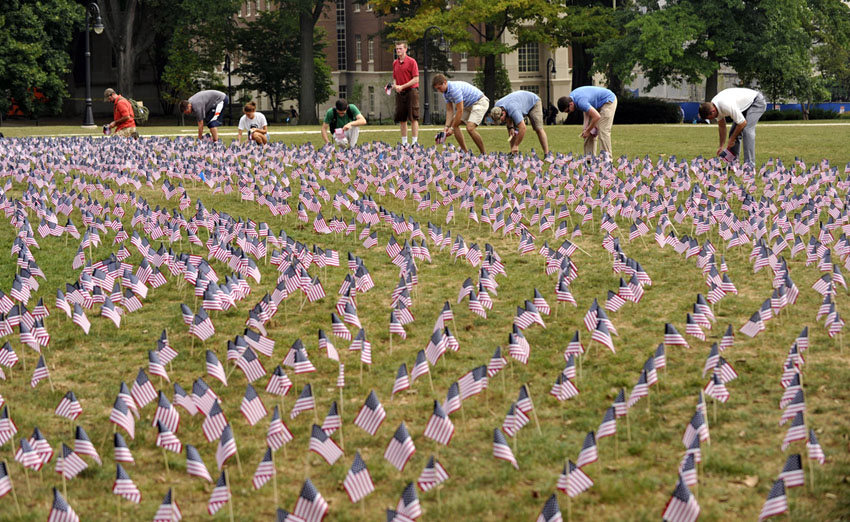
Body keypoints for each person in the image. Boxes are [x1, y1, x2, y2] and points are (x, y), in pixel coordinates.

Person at [698, 88, 766, 165]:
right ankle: (733, 164)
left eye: (711, 118)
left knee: (747, 130)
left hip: (756, 102)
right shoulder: (713, 106)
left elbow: (742, 123)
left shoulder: (725, 105)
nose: (713, 119)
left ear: (713, 111)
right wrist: (721, 146)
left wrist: (732, 139)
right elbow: (722, 126)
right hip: (744, 106)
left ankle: (749, 165)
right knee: (733, 132)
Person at [432, 74, 489, 154]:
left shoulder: (454, 89)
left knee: (470, 128)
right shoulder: (445, 93)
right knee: (454, 123)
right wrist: (446, 127)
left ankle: (484, 154)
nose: (439, 90)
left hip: (479, 102)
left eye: (439, 88)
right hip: (468, 106)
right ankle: (465, 152)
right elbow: (449, 110)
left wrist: (452, 129)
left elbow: (460, 110)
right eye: (437, 89)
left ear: (444, 82)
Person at [557, 86, 618, 157]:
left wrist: (588, 130)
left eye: (568, 110)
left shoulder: (580, 101)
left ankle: (607, 159)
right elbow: (586, 111)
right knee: (587, 130)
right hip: (596, 104)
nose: (568, 113)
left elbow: (597, 116)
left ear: (571, 104)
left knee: (603, 130)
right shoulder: (572, 98)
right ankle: (589, 158)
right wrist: (586, 128)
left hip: (608, 101)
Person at [490, 90, 550, 157]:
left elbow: (523, 128)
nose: (502, 121)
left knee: (538, 128)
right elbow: (508, 117)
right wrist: (511, 127)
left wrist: (516, 145)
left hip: (533, 102)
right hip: (519, 102)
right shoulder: (497, 106)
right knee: (511, 131)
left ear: (503, 113)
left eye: (501, 119)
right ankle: (513, 154)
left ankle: (547, 154)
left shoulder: (513, 109)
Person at [392, 41, 420, 146]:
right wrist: (395, 86)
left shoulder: (412, 62)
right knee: (401, 117)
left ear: (405, 49)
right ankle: (404, 142)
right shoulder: (395, 63)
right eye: (397, 49)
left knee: (413, 116)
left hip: (411, 91)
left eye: (400, 48)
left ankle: (414, 142)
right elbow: (394, 77)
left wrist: (402, 86)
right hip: (400, 92)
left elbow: (416, 79)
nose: (398, 50)